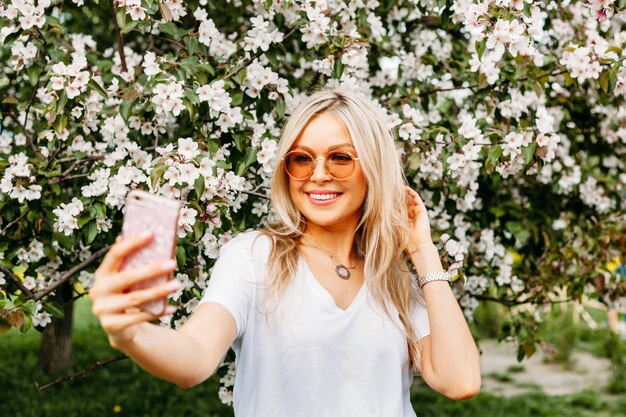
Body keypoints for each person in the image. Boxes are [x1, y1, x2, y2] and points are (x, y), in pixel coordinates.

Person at [89, 88, 481, 416]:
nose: (319, 173)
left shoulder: (392, 278)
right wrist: (132, 334)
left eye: (341, 157)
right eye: (302, 158)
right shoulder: (254, 257)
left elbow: (459, 380)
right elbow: (194, 357)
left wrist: (423, 251)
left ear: (373, 168)